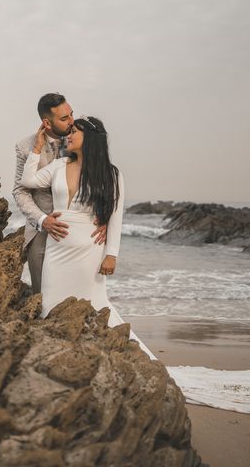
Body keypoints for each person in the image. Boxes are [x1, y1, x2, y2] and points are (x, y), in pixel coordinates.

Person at [20, 115, 157, 361]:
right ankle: (57, 356)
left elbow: (115, 217)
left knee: (92, 304)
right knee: (51, 304)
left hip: (89, 251)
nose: (68, 135)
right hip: (57, 248)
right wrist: (37, 147)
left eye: (74, 131)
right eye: (69, 130)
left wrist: (111, 255)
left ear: (90, 138)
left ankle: (105, 355)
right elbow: (28, 180)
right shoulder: (60, 164)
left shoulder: (112, 174)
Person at [13, 93, 106, 294]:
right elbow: (20, 191)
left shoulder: (80, 136)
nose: (72, 122)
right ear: (47, 123)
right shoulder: (25, 147)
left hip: (82, 229)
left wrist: (105, 218)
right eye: (64, 119)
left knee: (82, 294)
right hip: (42, 228)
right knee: (43, 295)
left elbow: (100, 176)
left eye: (71, 114)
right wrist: (42, 219)